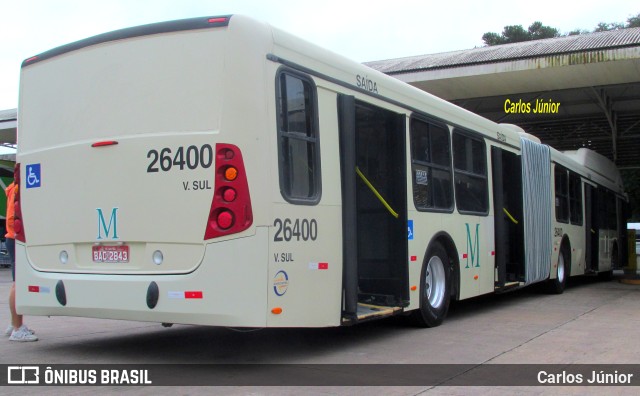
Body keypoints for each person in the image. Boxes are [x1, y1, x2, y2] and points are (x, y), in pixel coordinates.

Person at [5, 177, 37, 342]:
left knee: (16, 282)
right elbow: (12, 217)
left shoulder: (12, 187)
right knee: (18, 283)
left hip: (12, 238)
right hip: (16, 238)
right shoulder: (17, 188)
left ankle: (13, 324)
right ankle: (17, 329)